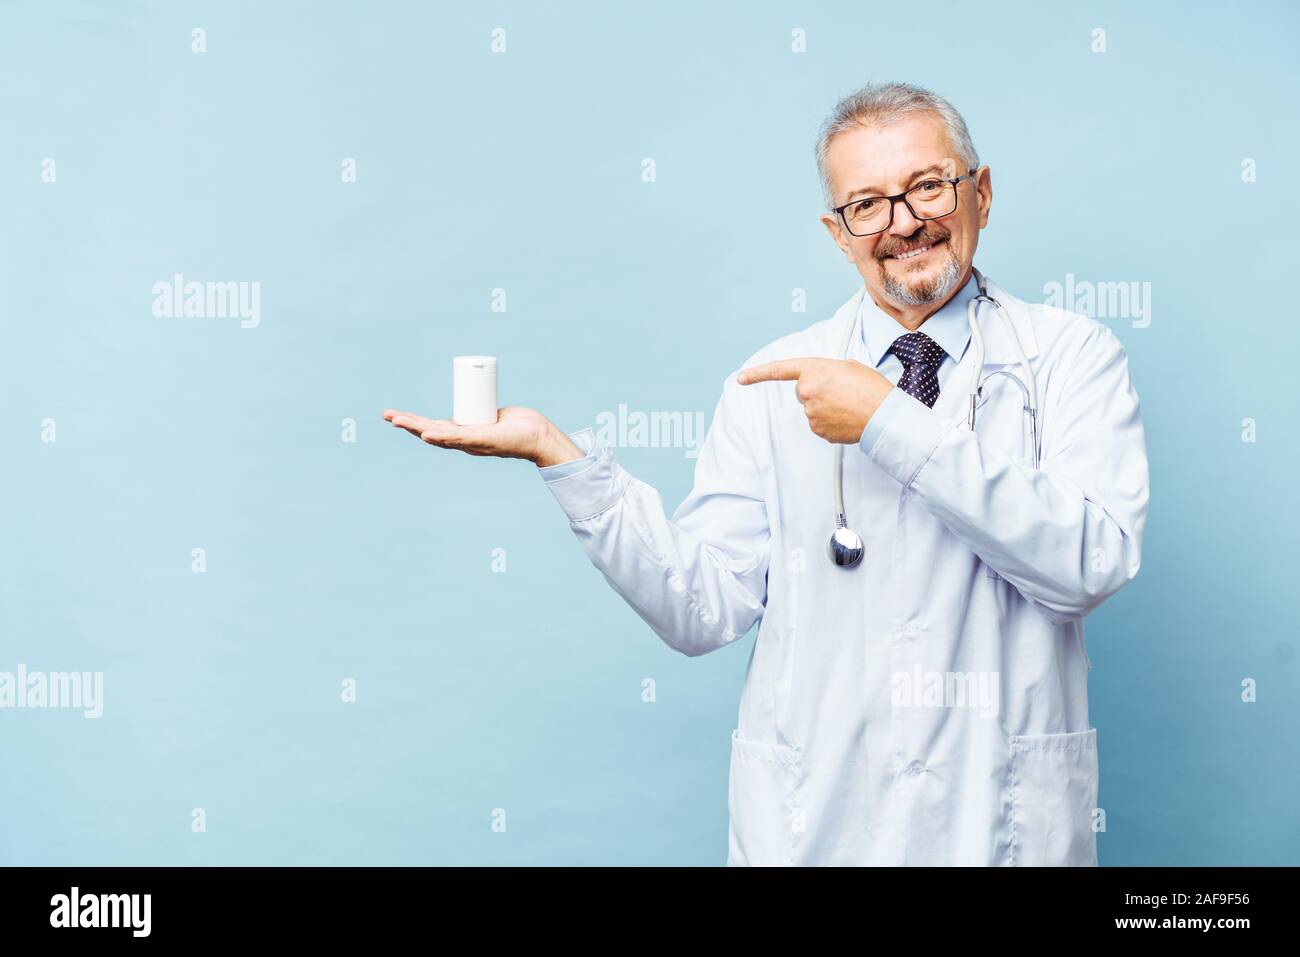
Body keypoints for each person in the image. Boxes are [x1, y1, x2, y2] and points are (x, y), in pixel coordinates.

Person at [383, 81, 1150, 866]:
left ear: (979, 193)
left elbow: (1089, 563)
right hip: (820, 825)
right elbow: (700, 608)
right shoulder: (769, 381)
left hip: (1002, 828)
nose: (904, 222)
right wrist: (562, 458)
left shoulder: (1070, 356)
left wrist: (886, 421)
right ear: (837, 232)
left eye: (927, 186)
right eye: (868, 204)